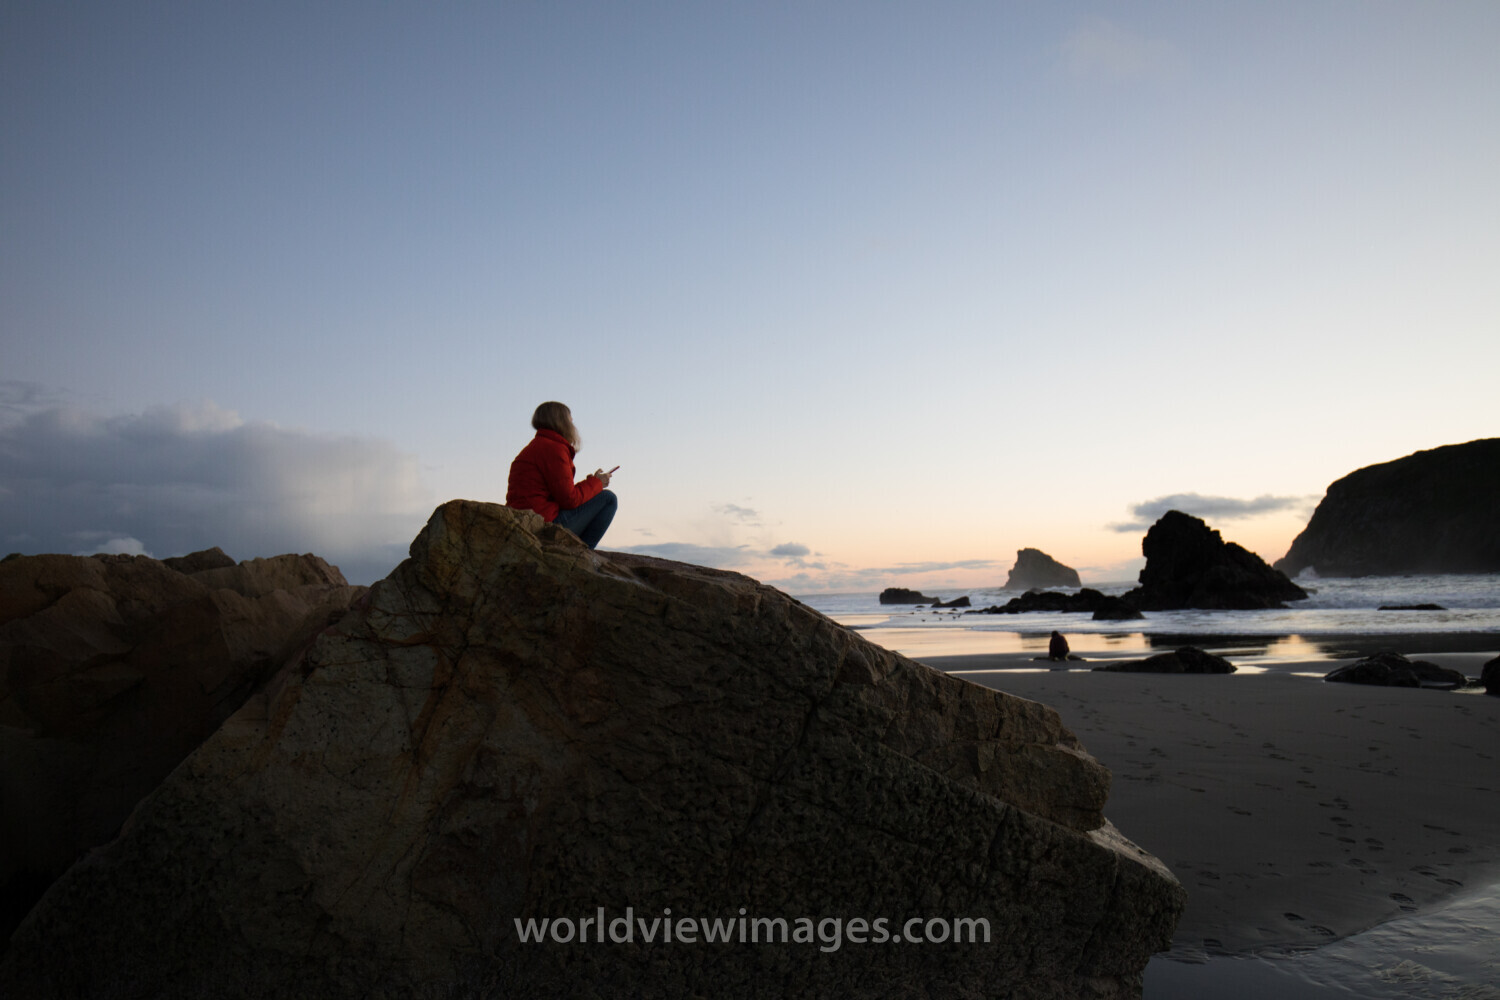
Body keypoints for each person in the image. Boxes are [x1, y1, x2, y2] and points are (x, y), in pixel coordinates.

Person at [506, 402, 617, 549]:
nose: (573, 426)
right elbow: (569, 499)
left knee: (600, 496)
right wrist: (597, 484)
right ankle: (583, 554)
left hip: (527, 520)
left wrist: (592, 483)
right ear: (562, 422)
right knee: (608, 499)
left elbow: (561, 493)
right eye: (571, 421)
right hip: (543, 524)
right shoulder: (554, 449)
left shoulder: (537, 446)